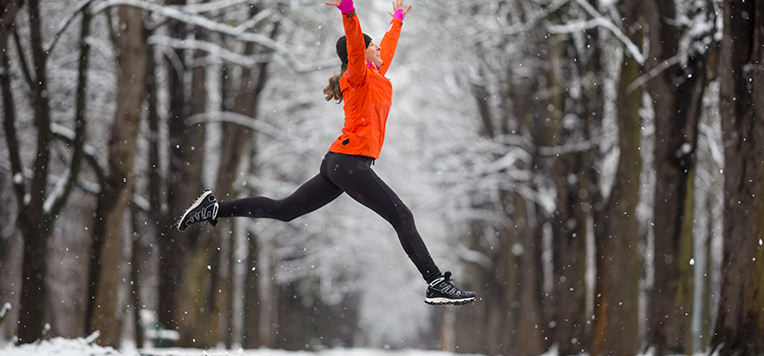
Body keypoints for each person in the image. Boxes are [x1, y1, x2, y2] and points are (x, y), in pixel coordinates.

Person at [177, 0, 476, 306]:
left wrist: (397, 20)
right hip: (349, 163)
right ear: (360, 53)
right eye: (373, 48)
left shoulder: (374, 74)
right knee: (402, 215)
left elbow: (387, 46)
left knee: (284, 210)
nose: (379, 51)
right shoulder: (357, 76)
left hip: (339, 163)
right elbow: (357, 46)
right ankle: (435, 282)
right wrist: (348, 11)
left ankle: (214, 209)